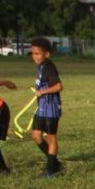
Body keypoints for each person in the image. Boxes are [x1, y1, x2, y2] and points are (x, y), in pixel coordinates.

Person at [30, 37, 64, 179]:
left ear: (47, 54)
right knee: (36, 136)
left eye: (38, 53)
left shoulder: (49, 67)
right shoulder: (41, 66)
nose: (35, 56)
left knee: (51, 137)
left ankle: (51, 170)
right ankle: (54, 162)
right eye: (33, 53)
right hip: (42, 107)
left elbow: (59, 86)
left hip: (51, 107)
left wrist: (42, 92)